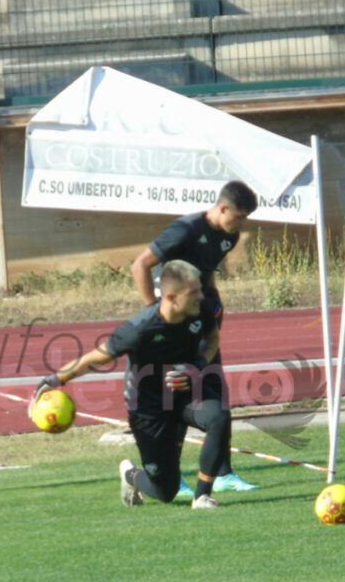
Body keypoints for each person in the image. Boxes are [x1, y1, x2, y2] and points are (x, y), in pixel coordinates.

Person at [31, 260, 229, 510]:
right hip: (148, 408)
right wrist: (54, 379)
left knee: (219, 417)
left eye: (200, 290)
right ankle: (130, 476)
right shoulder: (139, 329)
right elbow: (95, 358)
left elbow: (212, 339)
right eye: (194, 292)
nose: (201, 296)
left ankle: (201, 497)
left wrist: (198, 365)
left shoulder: (201, 309)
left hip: (184, 393)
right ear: (171, 297)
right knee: (165, 490)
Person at [129, 180, 259, 495]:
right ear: (223, 208)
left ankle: (223, 473)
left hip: (202, 322)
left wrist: (214, 301)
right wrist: (153, 313)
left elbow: (206, 270)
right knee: (175, 396)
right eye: (240, 216)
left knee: (215, 393)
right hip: (174, 326)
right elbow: (140, 265)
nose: (243, 224)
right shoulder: (184, 230)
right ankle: (171, 476)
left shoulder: (229, 236)